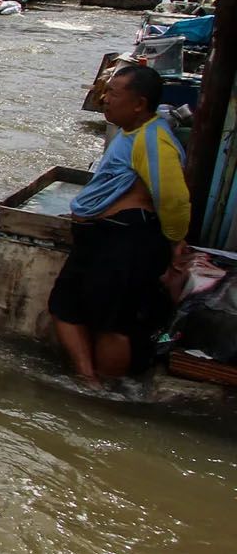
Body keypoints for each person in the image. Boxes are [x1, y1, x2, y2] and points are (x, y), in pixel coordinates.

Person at [52, 65, 190, 386]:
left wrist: (176, 242)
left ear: (139, 104)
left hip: (127, 242)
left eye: (113, 93)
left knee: (112, 323)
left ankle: (106, 388)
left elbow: (173, 199)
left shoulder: (154, 140)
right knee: (65, 306)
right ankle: (88, 379)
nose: (104, 99)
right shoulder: (131, 134)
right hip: (100, 239)